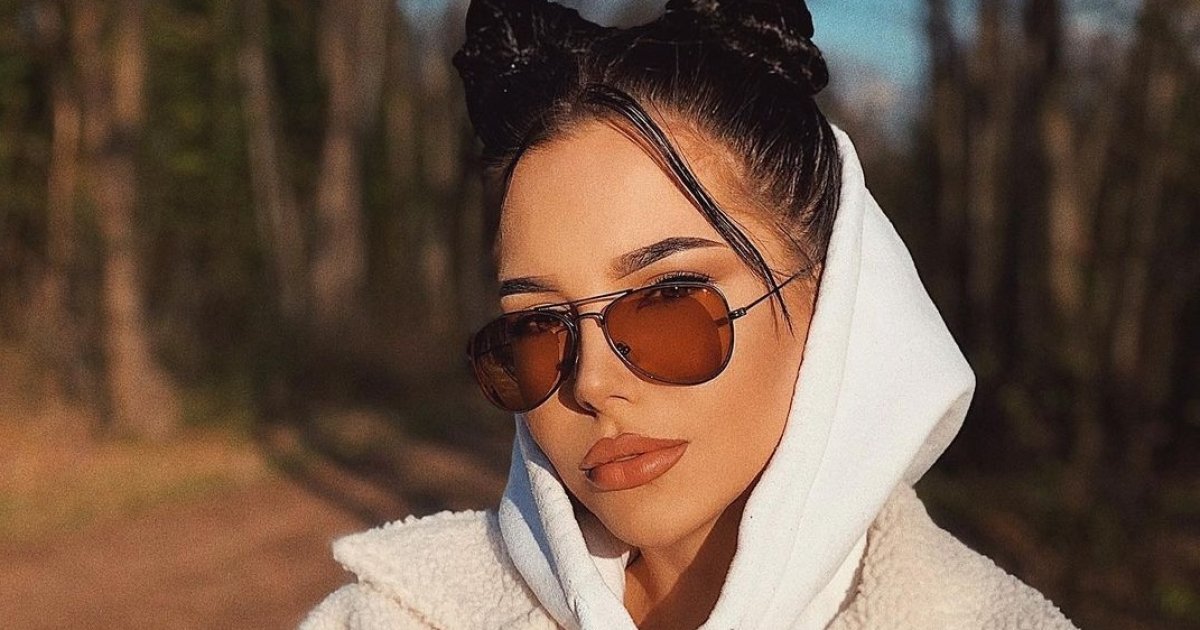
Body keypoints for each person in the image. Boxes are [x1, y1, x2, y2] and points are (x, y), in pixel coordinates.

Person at [300, 1, 1079, 628]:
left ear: (832, 300)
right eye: (537, 329)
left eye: (668, 303)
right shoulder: (390, 618)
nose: (591, 384)